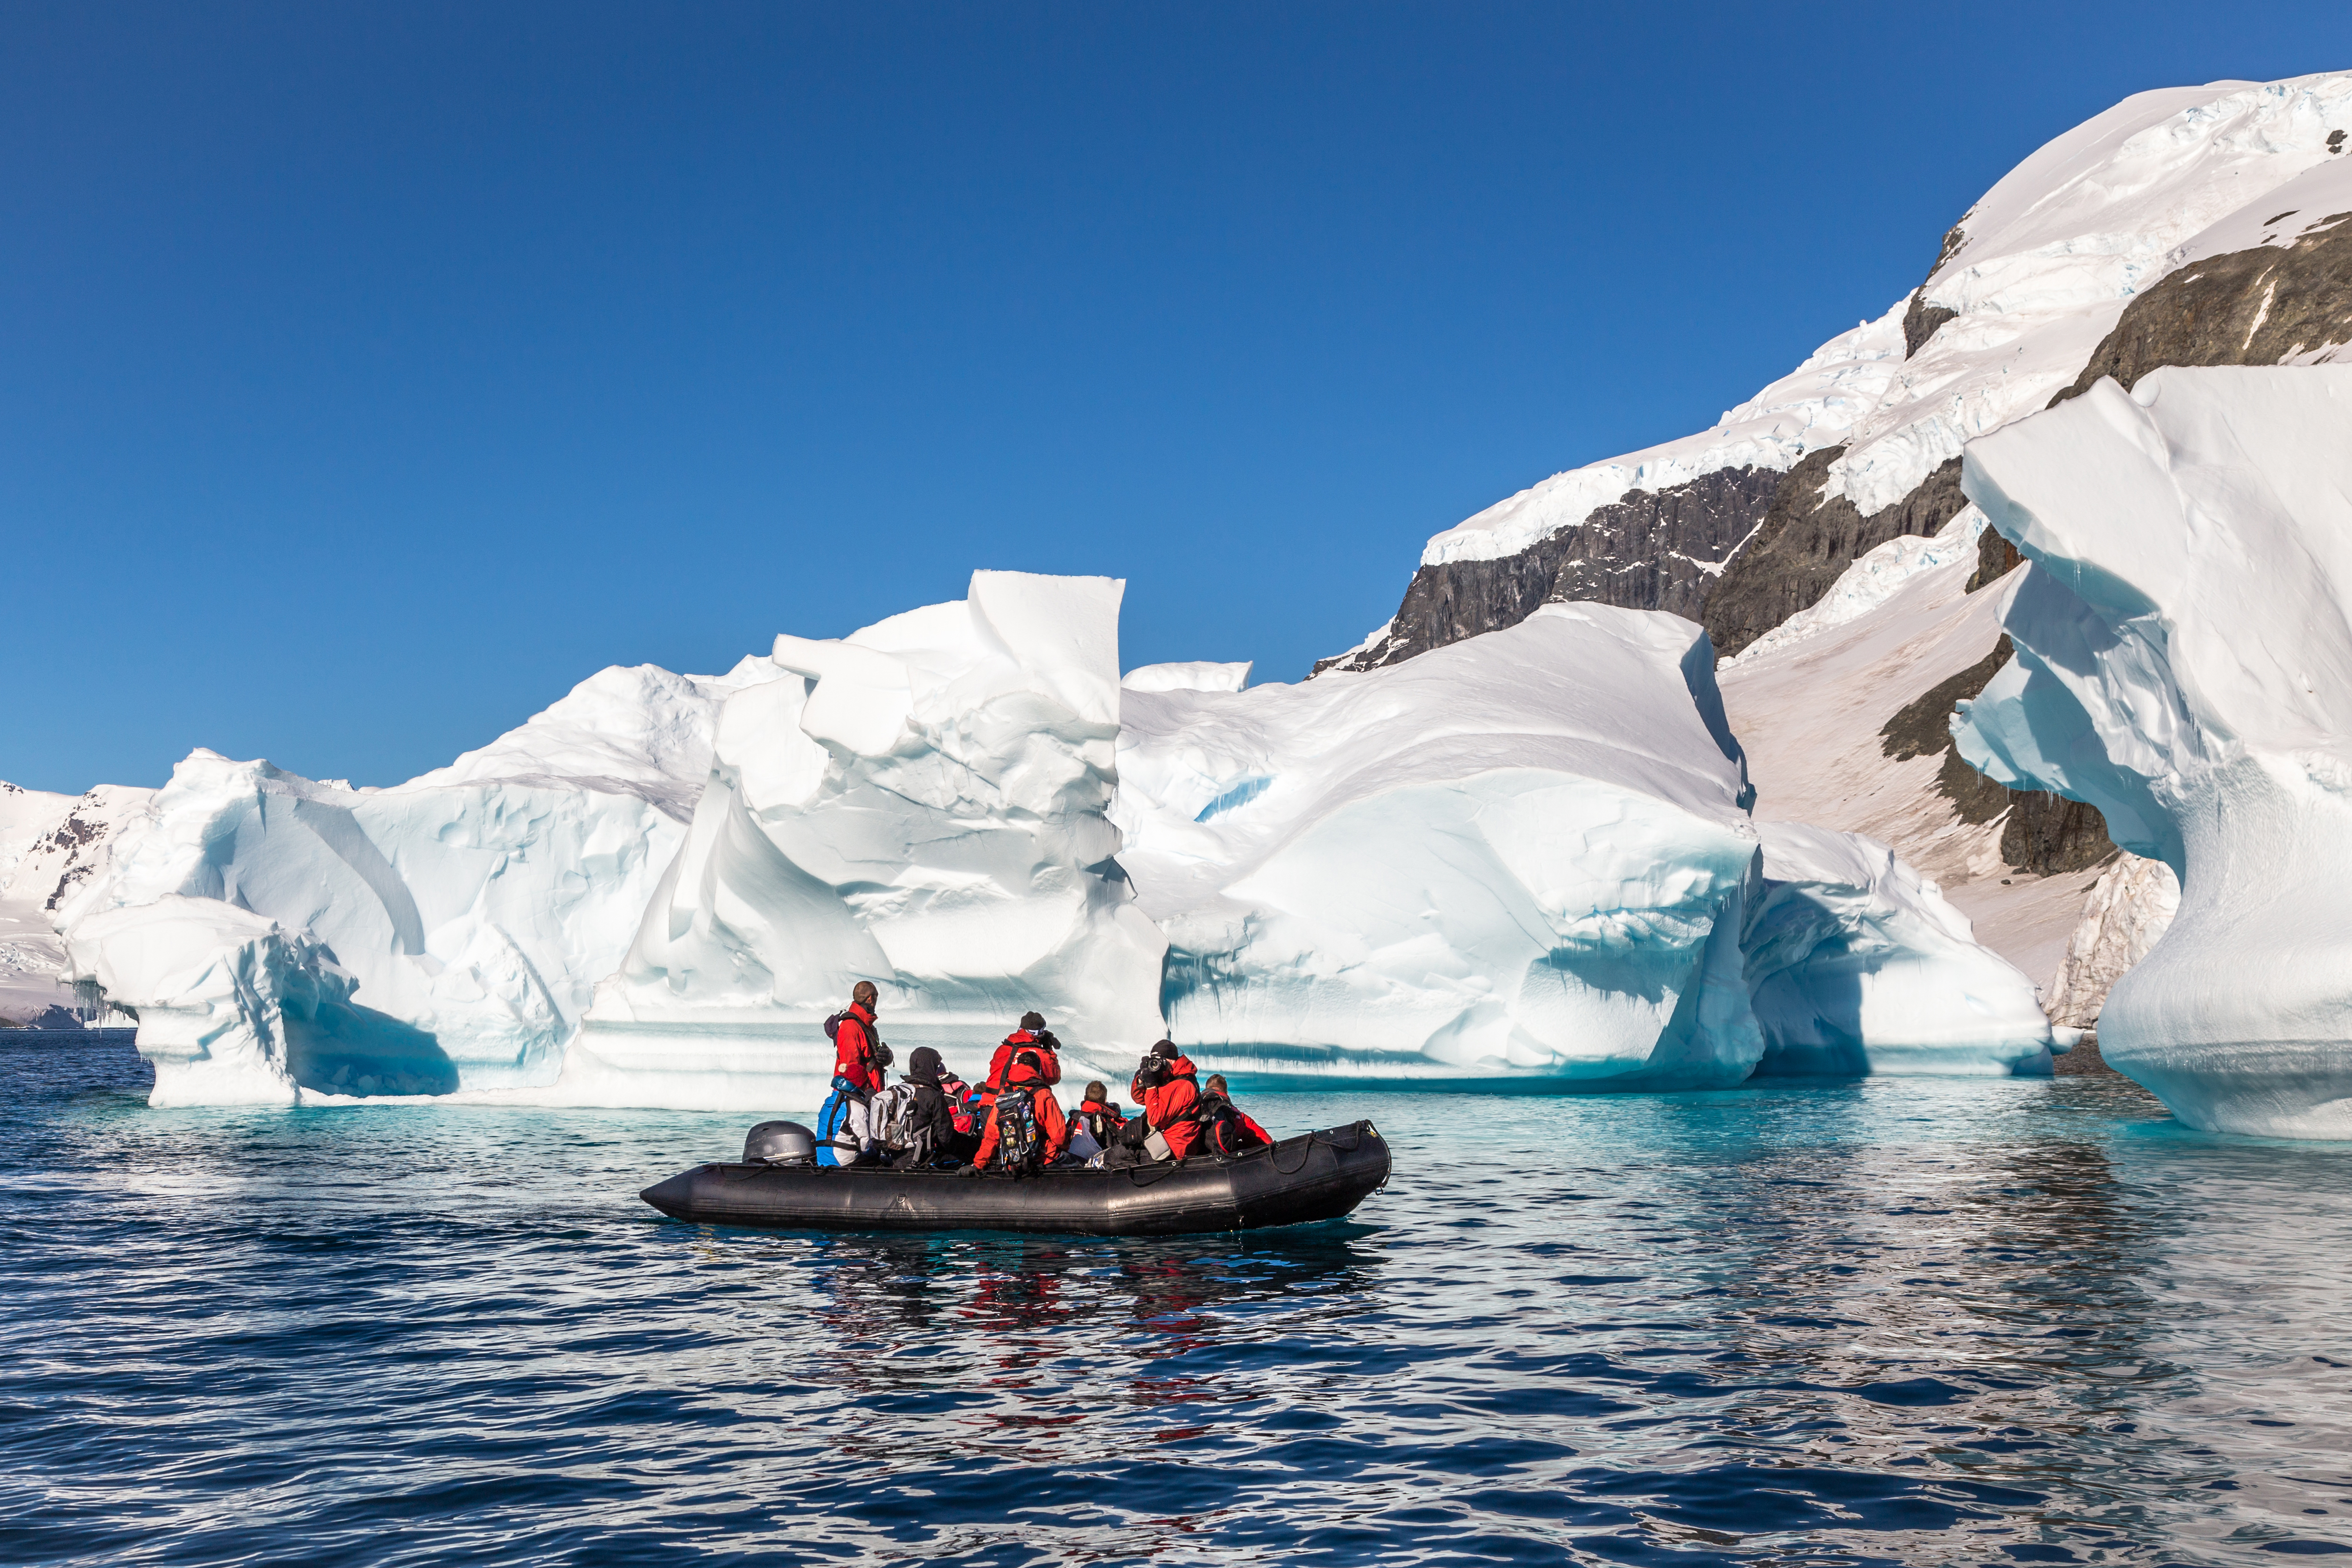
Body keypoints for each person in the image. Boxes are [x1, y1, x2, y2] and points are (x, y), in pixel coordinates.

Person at [963, 1040, 1068, 1176]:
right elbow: (1059, 1136)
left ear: (1017, 1067)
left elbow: (991, 1136)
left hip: (1012, 1161)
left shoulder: (1004, 1095)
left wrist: (978, 1165)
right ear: (1038, 1069)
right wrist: (1069, 1146)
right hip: (1043, 1160)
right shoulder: (1044, 1094)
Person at [815, 981, 889, 1167]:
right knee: (865, 1137)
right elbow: (851, 1069)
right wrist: (867, 1093)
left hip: (866, 1094)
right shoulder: (851, 1027)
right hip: (857, 1095)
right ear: (872, 998)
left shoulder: (866, 1025)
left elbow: (872, 1060)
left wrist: (887, 1057)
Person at [1102, 1040, 1200, 1168]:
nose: (1157, 1065)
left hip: (1174, 1150)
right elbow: (1138, 1098)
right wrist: (1142, 1076)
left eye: (1160, 1061)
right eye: (1154, 1061)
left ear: (1172, 1061)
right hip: (1165, 1142)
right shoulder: (1169, 1080)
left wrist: (1151, 1086)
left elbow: (1155, 1119)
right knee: (1122, 1146)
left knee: (1112, 1156)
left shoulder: (1182, 1084)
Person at [872, 1046, 962, 1169]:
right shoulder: (933, 1096)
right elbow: (946, 1139)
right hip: (922, 1159)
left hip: (897, 1156)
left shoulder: (902, 1091)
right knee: (965, 1158)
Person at [983, 1012, 1063, 1105]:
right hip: (1014, 1105)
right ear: (1039, 1032)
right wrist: (1048, 1049)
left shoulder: (1003, 1048)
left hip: (989, 1101)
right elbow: (1053, 1078)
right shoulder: (1039, 1053)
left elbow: (994, 1070)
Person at [1193, 1073, 1272, 1155]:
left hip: (1194, 1154)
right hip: (1222, 1153)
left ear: (1207, 1089)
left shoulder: (1194, 1105)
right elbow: (1266, 1141)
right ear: (1226, 1093)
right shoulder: (1234, 1113)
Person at [1073, 1082, 1127, 1147]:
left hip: (1076, 1155)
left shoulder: (1075, 1118)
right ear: (1105, 1100)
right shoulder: (1110, 1119)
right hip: (1103, 1155)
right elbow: (1128, 1132)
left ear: (1085, 1098)